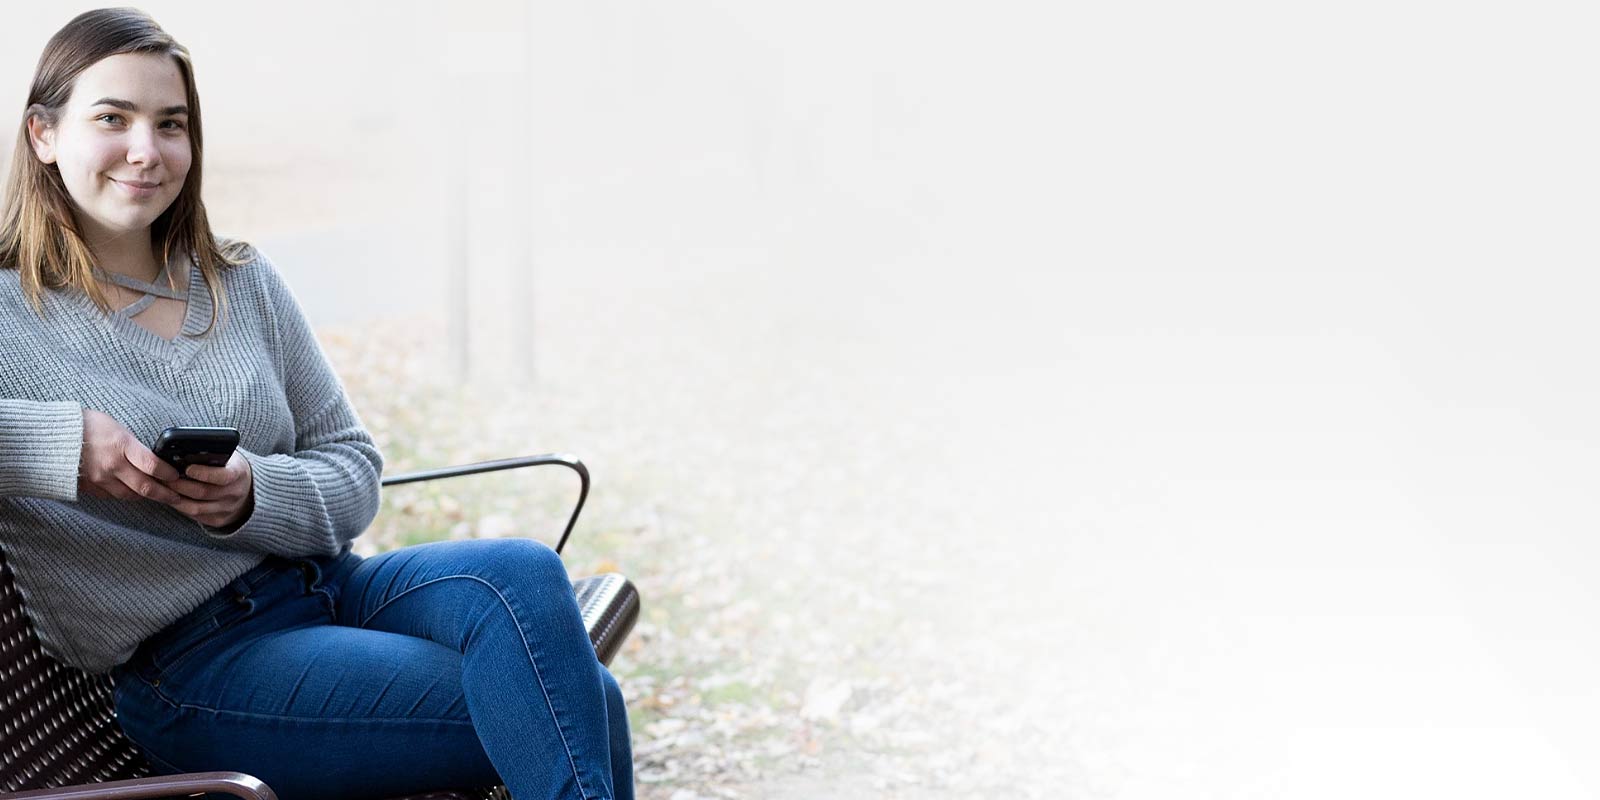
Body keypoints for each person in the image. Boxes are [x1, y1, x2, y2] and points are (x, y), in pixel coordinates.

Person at [0, 9, 632, 800]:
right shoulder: (8, 311)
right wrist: (60, 444)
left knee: (523, 572)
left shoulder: (241, 279)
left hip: (331, 589)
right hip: (197, 669)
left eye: (171, 123)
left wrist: (253, 494)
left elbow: (353, 466)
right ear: (43, 134)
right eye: (112, 118)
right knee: (579, 705)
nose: (146, 150)